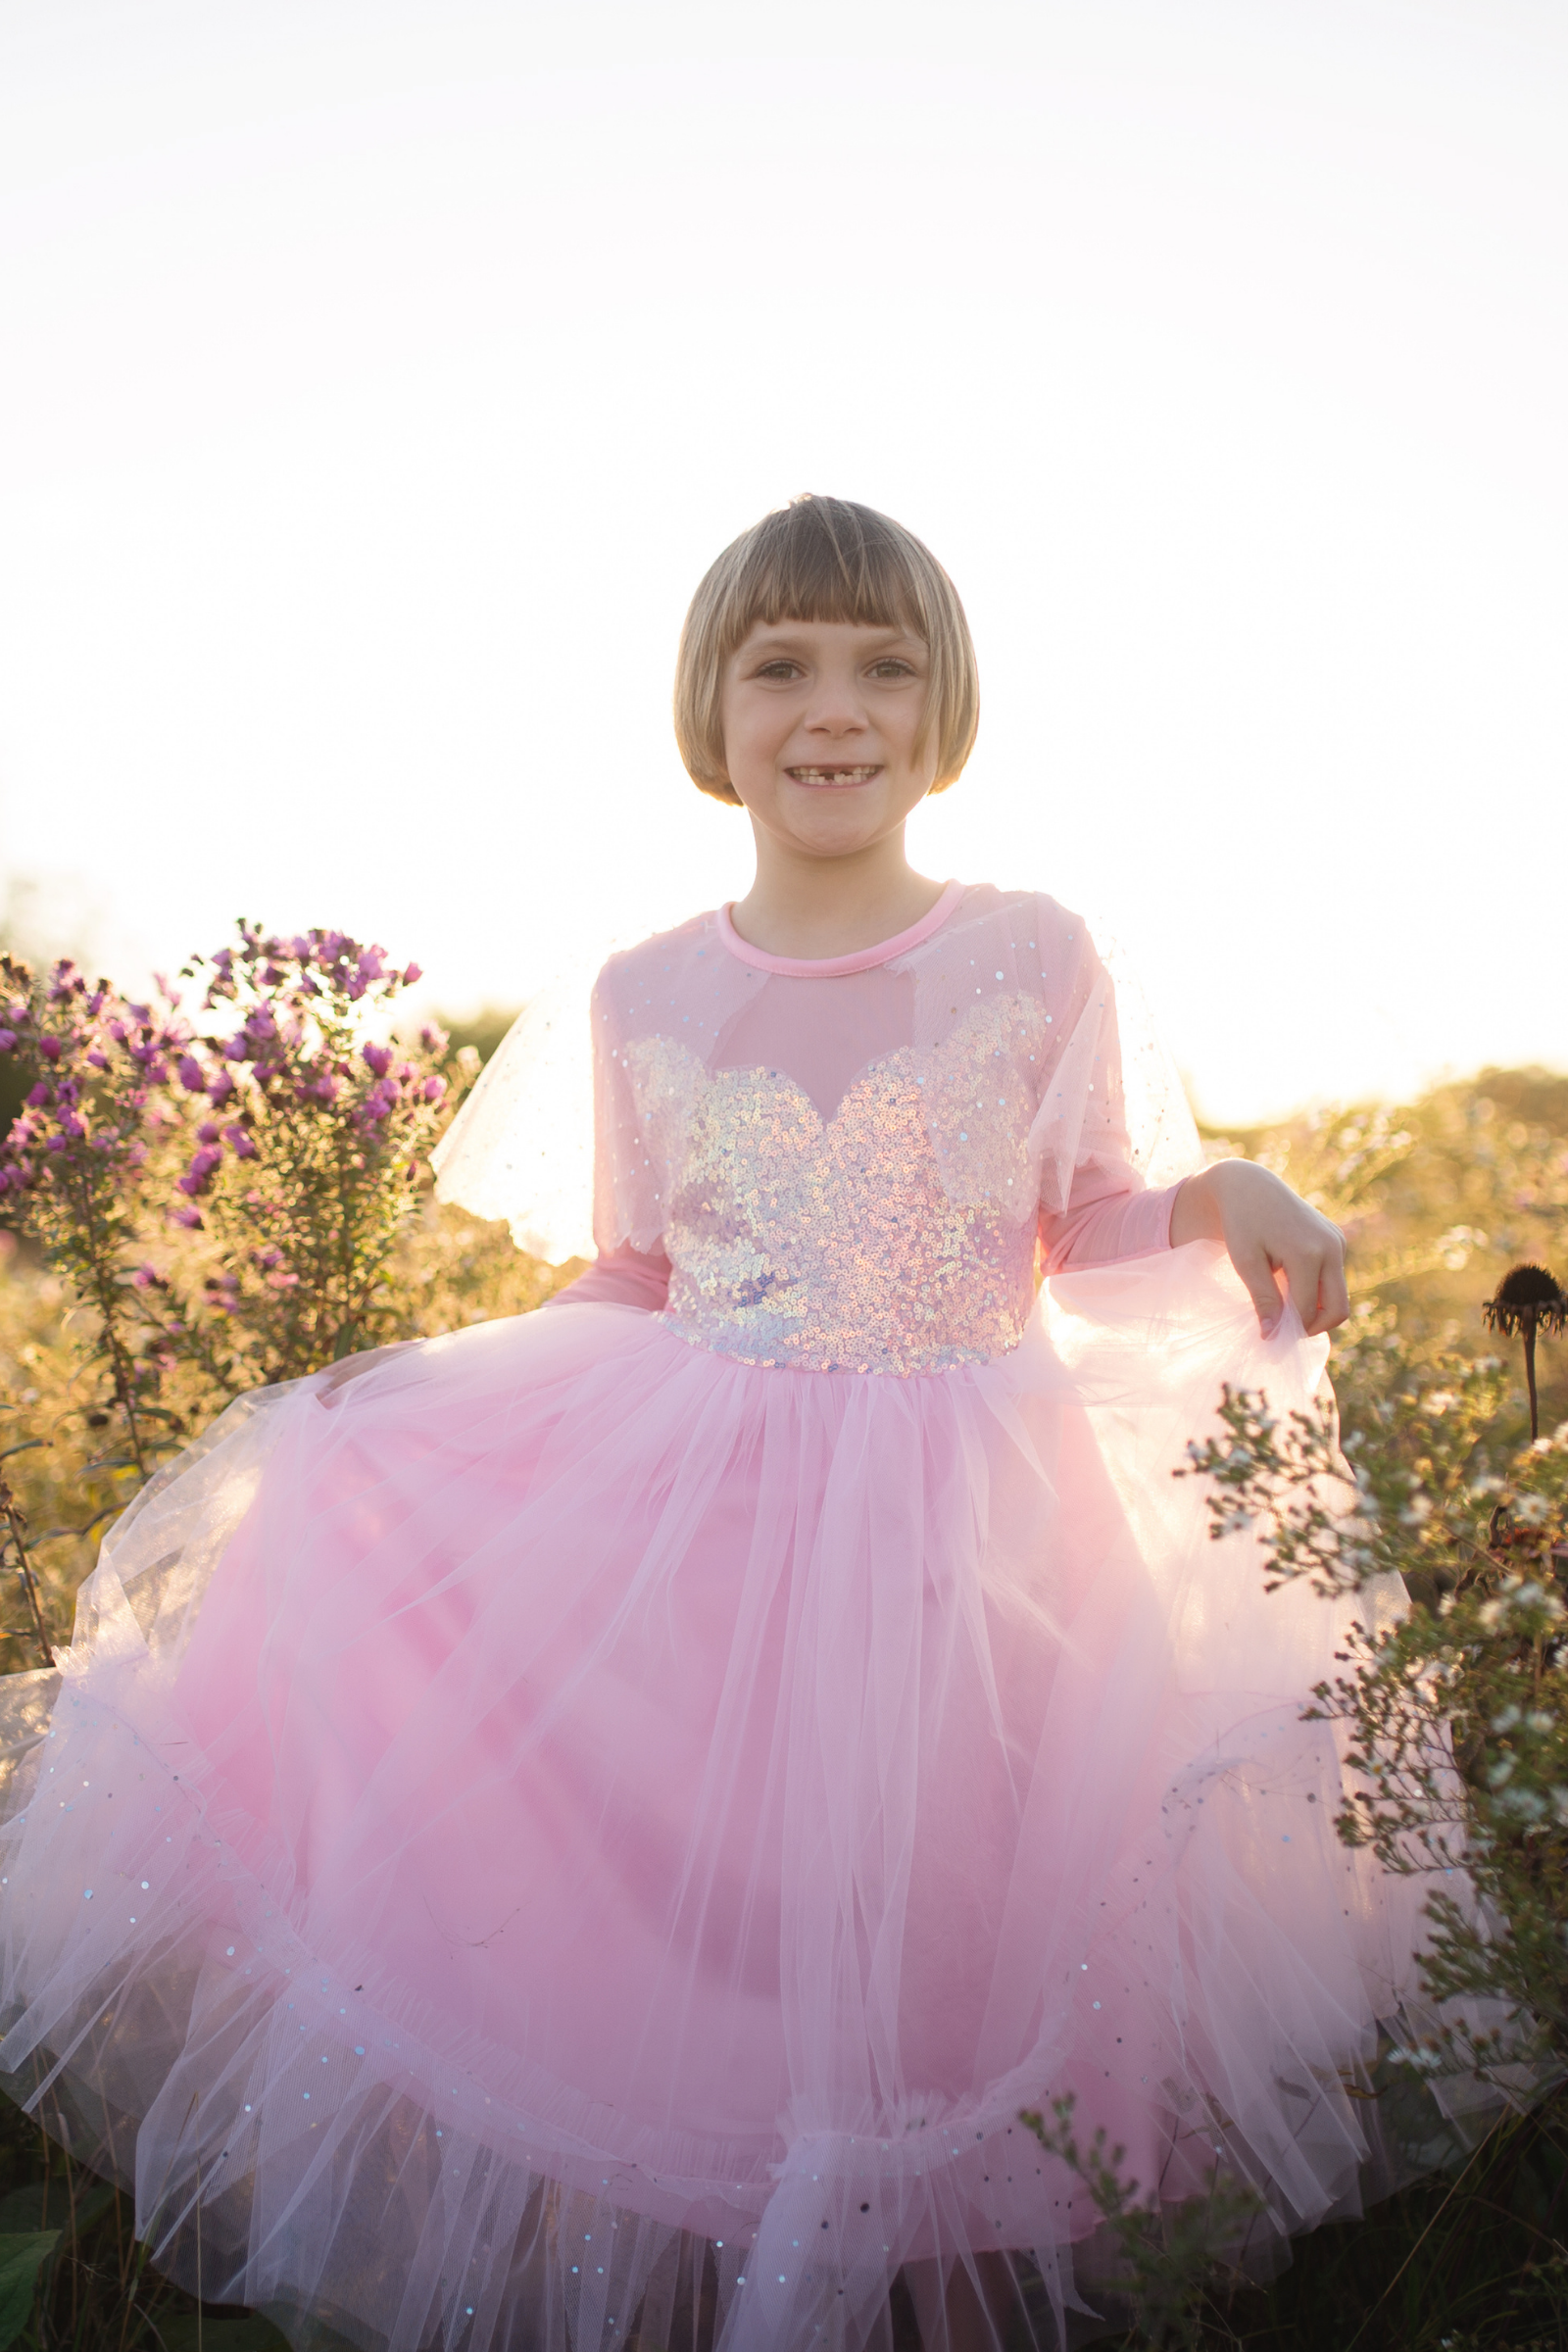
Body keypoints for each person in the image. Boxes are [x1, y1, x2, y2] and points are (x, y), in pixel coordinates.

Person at [0, 498, 1472, 2352]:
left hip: (974, 1525)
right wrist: (422, 1392)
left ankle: (937, 2296)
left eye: (885, 665)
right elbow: (637, 1272)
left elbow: (1085, 1214)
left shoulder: (1036, 952)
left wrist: (1225, 1188)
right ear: (714, 709)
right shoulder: (648, 990)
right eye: (781, 666)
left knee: (952, 1932)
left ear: (945, 709)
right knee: (735, 1948)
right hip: (706, 1534)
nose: (833, 707)